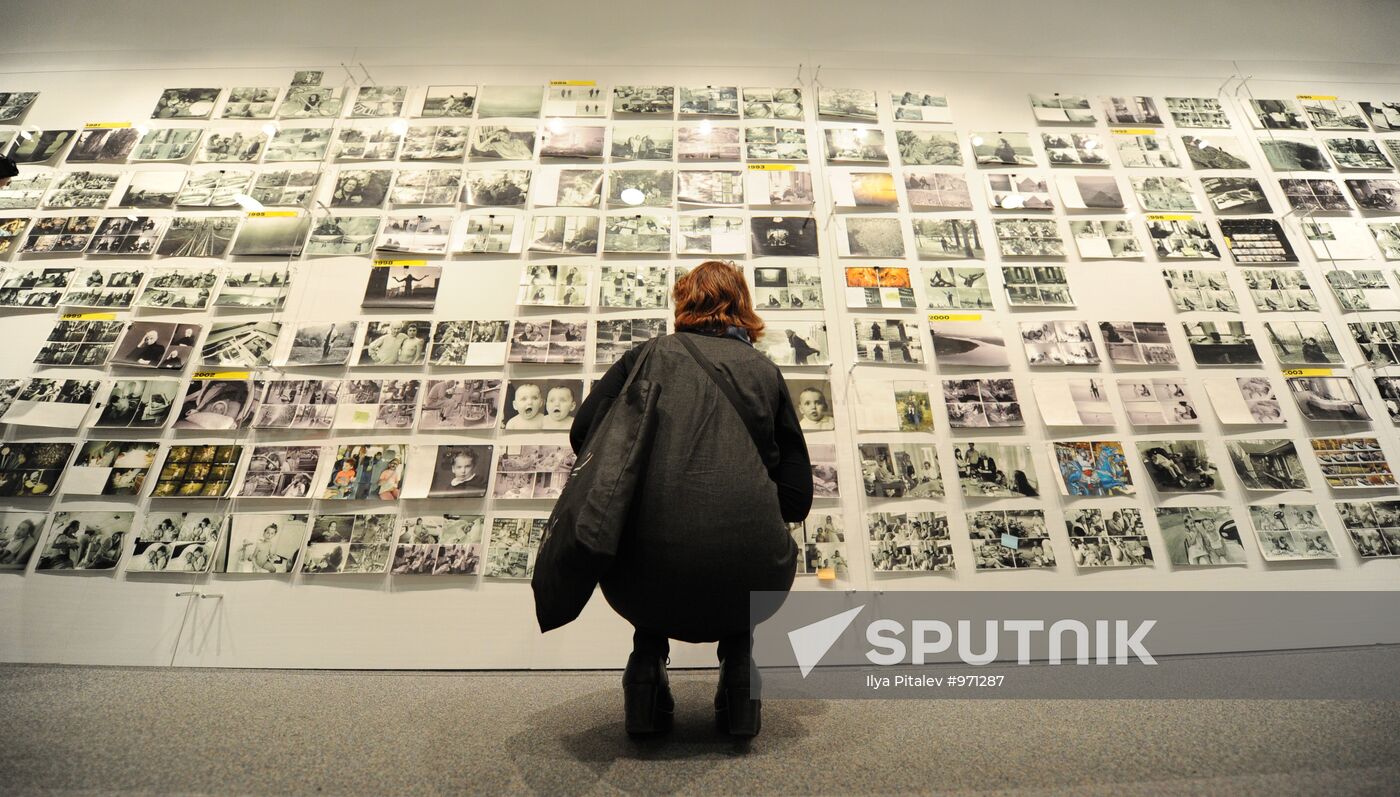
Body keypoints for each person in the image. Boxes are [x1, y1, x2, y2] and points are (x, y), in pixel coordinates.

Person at [565, 260, 811, 738]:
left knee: (655, 530)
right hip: (751, 582)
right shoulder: (765, 372)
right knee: (736, 535)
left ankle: (644, 665)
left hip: (641, 584)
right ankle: (740, 669)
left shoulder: (643, 357)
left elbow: (583, 436)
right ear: (744, 305)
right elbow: (797, 500)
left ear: (683, 303)